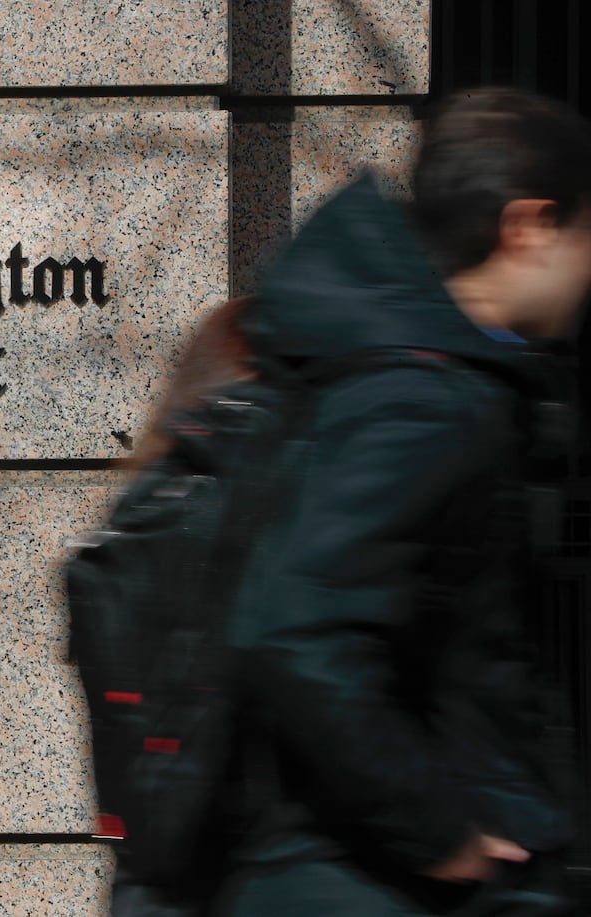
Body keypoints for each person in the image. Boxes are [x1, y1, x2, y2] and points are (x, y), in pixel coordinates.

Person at [209, 87, 591, 915]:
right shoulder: (423, 398)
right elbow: (294, 627)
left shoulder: (431, 374)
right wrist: (438, 831)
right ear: (528, 227)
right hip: (370, 883)